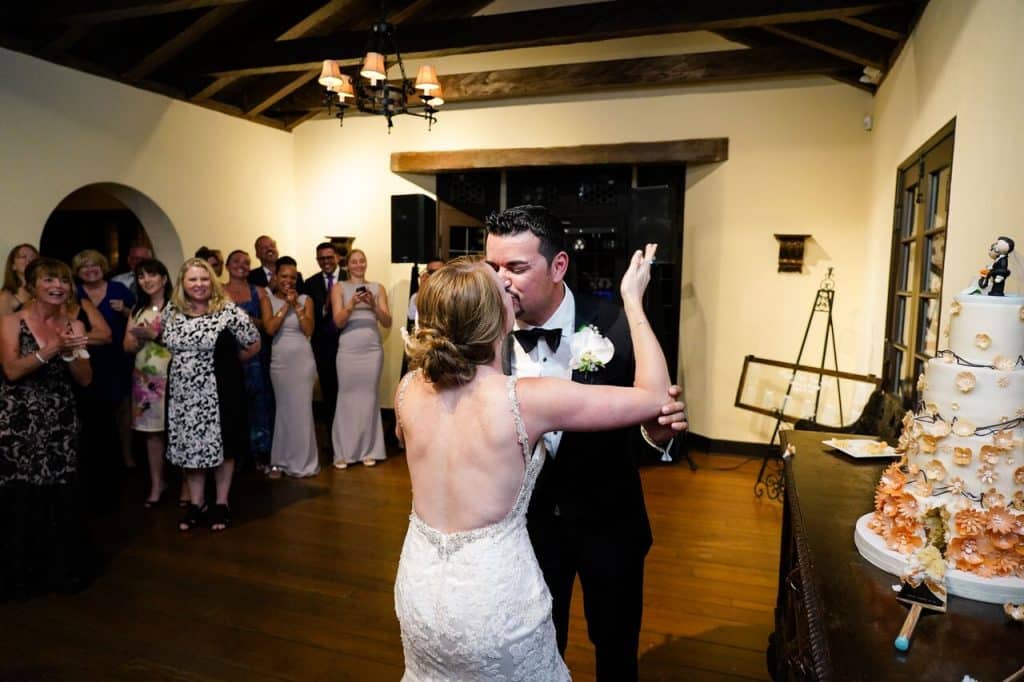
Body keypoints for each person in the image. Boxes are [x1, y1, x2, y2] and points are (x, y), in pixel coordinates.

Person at [393, 248, 669, 679]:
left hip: (419, 587)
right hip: (493, 599)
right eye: (502, 288)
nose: (512, 289)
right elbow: (655, 397)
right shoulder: (525, 398)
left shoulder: (408, 390)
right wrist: (633, 300)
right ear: (495, 319)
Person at [485, 205, 686, 680]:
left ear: (558, 267)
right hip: (526, 530)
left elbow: (651, 418)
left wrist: (655, 435)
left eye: (515, 267)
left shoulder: (616, 325)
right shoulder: (483, 335)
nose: (500, 282)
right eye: (493, 267)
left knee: (615, 649)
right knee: (537, 647)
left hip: (608, 523)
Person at [0, 257, 93, 599]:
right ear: (34, 286)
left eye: (64, 281)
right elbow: (11, 370)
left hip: (60, 421)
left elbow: (85, 380)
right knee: (19, 495)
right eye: (50, 280)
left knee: (59, 494)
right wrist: (54, 348)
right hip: (18, 420)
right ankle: (17, 576)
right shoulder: (11, 322)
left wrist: (71, 354)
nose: (58, 286)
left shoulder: (75, 326)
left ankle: (60, 571)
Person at [162, 258, 260, 532]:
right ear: (183, 282)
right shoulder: (172, 311)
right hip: (183, 394)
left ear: (212, 282)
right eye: (192, 279)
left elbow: (253, 342)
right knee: (190, 448)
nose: (199, 284)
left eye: (204, 279)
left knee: (223, 447)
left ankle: (221, 502)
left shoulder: (227, 311)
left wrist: (228, 364)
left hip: (219, 391)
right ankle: (196, 503)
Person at [72, 249, 136, 471]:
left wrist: (124, 310)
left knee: (123, 409)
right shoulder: (74, 293)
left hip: (118, 357)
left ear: (103, 267)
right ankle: (102, 457)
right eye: (84, 266)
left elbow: (139, 318)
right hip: (89, 358)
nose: (90, 270)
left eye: (94, 265)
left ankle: (127, 456)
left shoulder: (119, 289)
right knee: (97, 411)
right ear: (78, 272)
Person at [329, 248, 391, 468]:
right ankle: (344, 452)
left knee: (369, 397)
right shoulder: (340, 288)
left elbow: (387, 322)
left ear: (366, 263)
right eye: (354, 261)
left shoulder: (378, 288)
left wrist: (373, 304)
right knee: (346, 397)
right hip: (348, 349)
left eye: (361, 261)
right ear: (348, 265)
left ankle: (369, 449)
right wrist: (352, 304)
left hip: (372, 350)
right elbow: (338, 321)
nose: (358, 265)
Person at [260, 257, 318, 478]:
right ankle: (281, 461)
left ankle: (304, 462)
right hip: (280, 362)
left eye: (293, 277)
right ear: (275, 277)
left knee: (302, 411)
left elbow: (309, 329)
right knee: (284, 410)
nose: (288, 281)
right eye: (284, 276)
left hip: (302, 361)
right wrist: (286, 305)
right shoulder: (267, 299)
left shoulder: (306, 299)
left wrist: (296, 305)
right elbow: (270, 329)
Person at [123, 259, 174, 507]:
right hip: (145, 378)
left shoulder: (177, 308)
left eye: (151, 275)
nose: (146, 280)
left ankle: (187, 485)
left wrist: (156, 335)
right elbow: (127, 346)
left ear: (164, 279)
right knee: (152, 435)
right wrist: (138, 340)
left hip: (174, 376)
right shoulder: (136, 309)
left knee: (178, 432)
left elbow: (184, 343)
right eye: (141, 276)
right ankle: (157, 483)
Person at [224, 249, 273, 471]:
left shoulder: (259, 292)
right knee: (232, 405)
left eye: (246, 262)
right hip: (228, 357)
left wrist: (247, 319)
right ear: (227, 265)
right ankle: (234, 455)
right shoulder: (219, 292)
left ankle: (259, 453)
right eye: (236, 261)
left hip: (255, 356)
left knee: (258, 404)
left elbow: (267, 325)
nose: (241, 265)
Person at [305, 242, 345, 427]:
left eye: (329, 257)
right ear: (317, 260)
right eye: (322, 258)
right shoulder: (310, 283)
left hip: (348, 345)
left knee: (348, 392)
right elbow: (310, 316)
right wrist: (325, 306)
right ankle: (332, 440)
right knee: (329, 394)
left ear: (337, 257)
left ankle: (350, 439)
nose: (326, 261)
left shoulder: (349, 277)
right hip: (323, 348)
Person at [0, 243, 39, 315]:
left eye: (33, 257)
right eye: (23, 257)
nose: (29, 260)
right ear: (13, 266)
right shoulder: (5, 297)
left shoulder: (43, 291)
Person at [406, 257, 444, 327]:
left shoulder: (455, 293)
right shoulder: (417, 296)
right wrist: (422, 289)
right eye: (432, 272)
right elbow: (412, 316)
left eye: (439, 272)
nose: (435, 275)